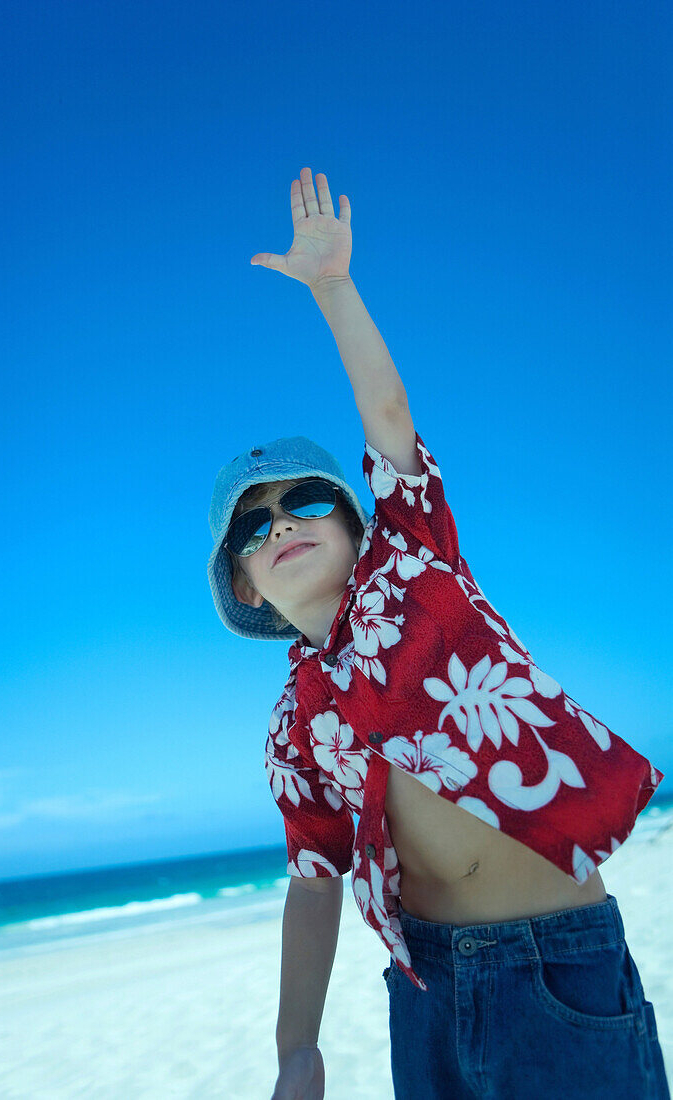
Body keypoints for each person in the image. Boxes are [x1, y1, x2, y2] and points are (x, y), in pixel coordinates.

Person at [206, 167, 669, 1099]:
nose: (282, 525)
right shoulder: (295, 723)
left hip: (556, 961)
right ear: (246, 585)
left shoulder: (415, 566)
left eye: (302, 502)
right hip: (423, 989)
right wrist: (297, 1047)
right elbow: (313, 877)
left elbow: (387, 421)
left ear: (352, 520)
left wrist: (334, 289)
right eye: (254, 528)